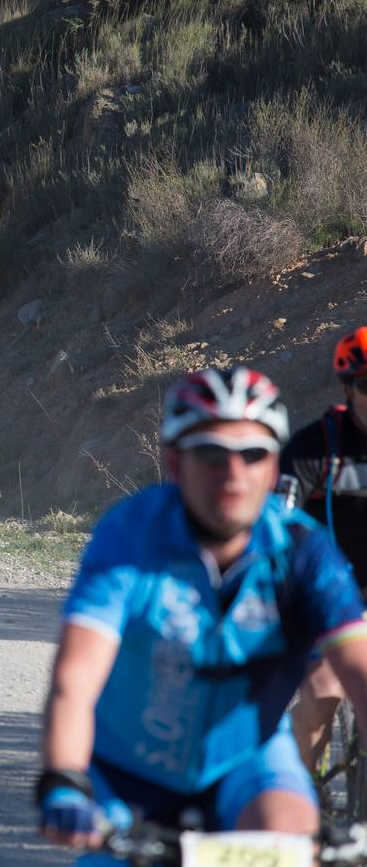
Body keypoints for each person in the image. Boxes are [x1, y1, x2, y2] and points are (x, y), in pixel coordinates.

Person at [37, 367, 367, 858]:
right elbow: (75, 677)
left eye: (253, 455)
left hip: (247, 763)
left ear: (275, 466)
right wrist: (63, 779)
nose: (233, 474)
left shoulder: (303, 552)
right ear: (174, 461)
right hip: (127, 770)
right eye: (211, 454)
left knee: (288, 836)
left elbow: (360, 670)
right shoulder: (130, 537)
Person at [285, 326, 367, 775]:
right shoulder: (314, 449)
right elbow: (273, 528)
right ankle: (301, 805)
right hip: (331, 601)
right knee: (320, 699)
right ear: (349, 389)